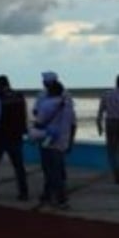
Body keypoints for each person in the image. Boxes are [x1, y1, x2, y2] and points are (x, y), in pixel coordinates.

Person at [0, 75, 29, 200]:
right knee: (19, 166)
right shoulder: (20, 96)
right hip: (16, 135)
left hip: (0, 136)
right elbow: (24, 116)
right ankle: (24, 193)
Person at [32, 78, 76, 208]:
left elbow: (39, 122)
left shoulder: (46, 104)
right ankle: (54, 196)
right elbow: (73, 124)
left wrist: (34, 133)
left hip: (48, 140)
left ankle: (57, 197)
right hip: (62, 141)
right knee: (58, 169)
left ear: (49, 91)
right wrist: (70, 141)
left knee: (49, 170)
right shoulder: (68, 105)